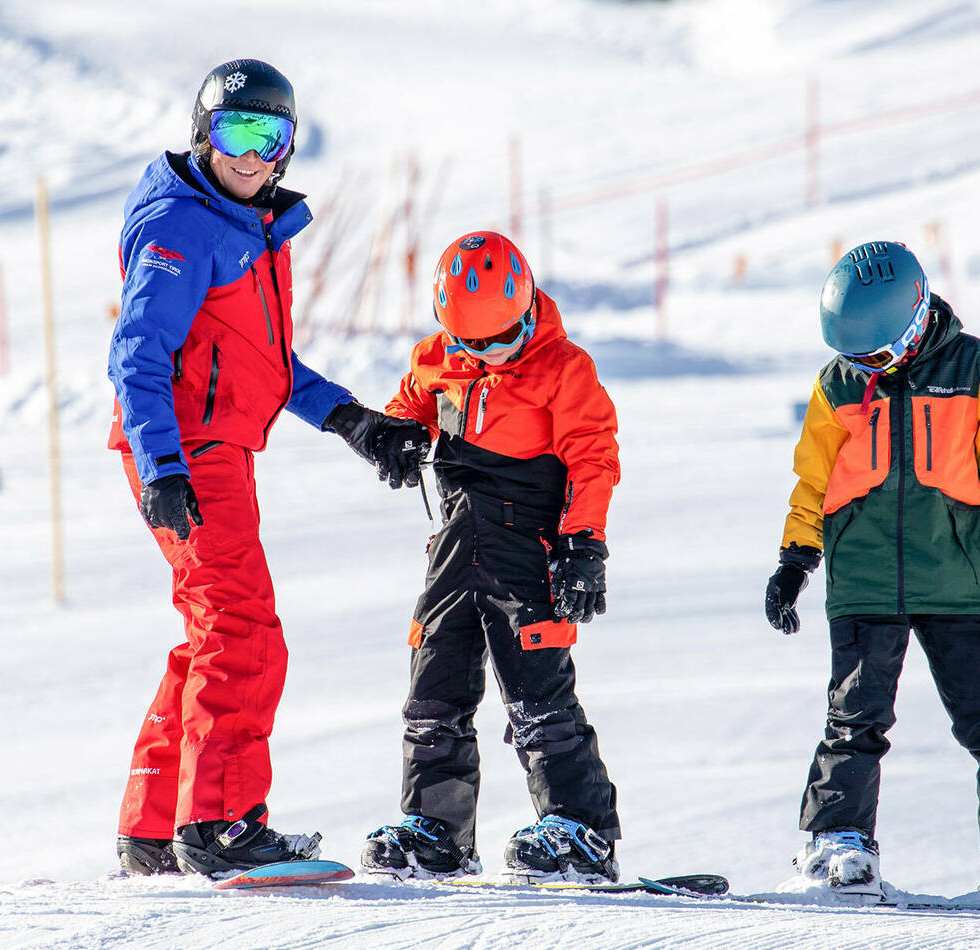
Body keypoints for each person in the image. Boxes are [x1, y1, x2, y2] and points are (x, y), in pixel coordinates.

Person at [106, 58, 429, 877]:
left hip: (212, 451)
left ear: (286, 148)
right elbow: (138, 356)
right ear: (202, 134)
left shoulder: (247, 226)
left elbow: (267, 364)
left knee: (213, 632)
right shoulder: (183, 225)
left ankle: (154, 827)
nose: (248, 156)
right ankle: (219, 823)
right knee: (245, 633)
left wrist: (355, 421)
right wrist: (164, 468)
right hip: (186, 453)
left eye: (267, 136)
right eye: (232, 132)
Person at [764, 241, 980, 900]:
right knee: (853, 721)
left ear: (913, 321)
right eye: (855, 358)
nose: (865, 369)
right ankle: (837, 843)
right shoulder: (839, 385)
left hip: (958, 579)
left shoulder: (974, 366)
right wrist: (796, 556)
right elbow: (813, 479)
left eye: (875, 357)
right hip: (864, 579)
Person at [356, 231, 624, 884]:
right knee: (433, 686)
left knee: (538, 690)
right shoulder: (436, 358)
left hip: (527, 549)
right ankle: (437, 832)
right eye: (474, 346)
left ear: (526, 307)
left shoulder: (563, 368)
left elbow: (594, 454)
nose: (490, 355)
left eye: (504, 340)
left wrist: (585, 543)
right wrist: (397, 430)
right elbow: (413, 402)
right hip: (454, 546)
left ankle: (582, 830)